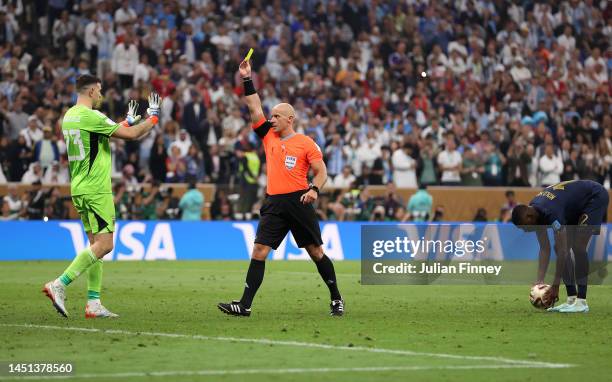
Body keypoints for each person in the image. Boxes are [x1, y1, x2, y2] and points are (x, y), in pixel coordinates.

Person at [218, 58, 344, 317]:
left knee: (316, 252)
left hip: (299, 201)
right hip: (274, 201)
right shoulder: (268, 135)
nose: (271, 119)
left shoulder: (306, 143)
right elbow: (254, 107)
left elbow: (322, 172)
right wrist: (246, 78)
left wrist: (314, 190)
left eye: (276, 115)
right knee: (259, 251)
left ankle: (336, 298)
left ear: (290, 119)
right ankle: (244, 305)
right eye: (271, 115)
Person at [42, 74, 161, 318]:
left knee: (95, 245)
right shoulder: (92, 115)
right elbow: (131, 136)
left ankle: (93, 303)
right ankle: (60, 284)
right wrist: (154, 118)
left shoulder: (70, 116)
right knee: (106, 245)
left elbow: (100, 135)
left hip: (79, 187)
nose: (101, 95)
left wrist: (125, 121)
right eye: (99, 90)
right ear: (92, 90)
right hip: (96, 189)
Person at [511, 180, 609, 313]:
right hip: (574, 205)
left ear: (529, 217)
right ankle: (571, 299)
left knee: (578, 247)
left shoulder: (551, 212)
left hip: (594, 197)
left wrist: (556, 286)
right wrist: (540, 279)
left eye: (524, 227)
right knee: (558, 247)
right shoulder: (535, 214)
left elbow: (563, 251)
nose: (525, 231)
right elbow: (545, 248)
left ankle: (581, 302)